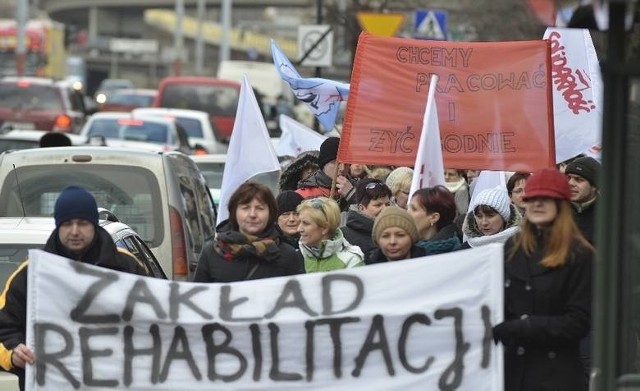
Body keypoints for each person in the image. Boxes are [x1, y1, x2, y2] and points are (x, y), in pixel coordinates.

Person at [0, 186, 149, 391]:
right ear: (58, 226)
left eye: (83, 223)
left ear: (94, 226)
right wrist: (12, 354)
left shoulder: (127, 267)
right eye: (67, 223)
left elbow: (154, 322)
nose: (75, 231)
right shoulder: (31, 274)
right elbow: (4, 328)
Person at [493, 168, 594, 391]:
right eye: (532, 198)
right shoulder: (513, 247)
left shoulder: (580, 254)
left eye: (545, 198)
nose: (537, 204)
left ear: (562, 203)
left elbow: (578, 323)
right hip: (514, 373)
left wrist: (525, 326)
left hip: (556, 376)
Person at [193, 182, 304, 282]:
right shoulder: (212, 253)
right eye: (245, 208)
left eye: (259, 208)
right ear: (234, 212)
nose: (252, 214)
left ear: (271, 213)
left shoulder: (286, 254)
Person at [297, 197, 364, 272]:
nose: (299, 229)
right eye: (299, 222)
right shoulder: (295, 256)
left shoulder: (351, 260)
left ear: (325, 228)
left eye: (305, 223)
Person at [295, 137, 357, 209]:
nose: (342, 169)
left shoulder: (359, 189)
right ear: (323, 165)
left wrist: (352, 196)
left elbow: (368, 218)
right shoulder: (303, 194)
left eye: (346, 163)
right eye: (336, 163)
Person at [341, 178, 392, 259]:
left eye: (387, 204)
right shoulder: (343, 236)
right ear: (361, 208)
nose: (385, 209)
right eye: (378, 205)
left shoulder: (395, 232)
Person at [408, 185, 462, 255]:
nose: (407, 213)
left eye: (414, 209)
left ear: (434, 218)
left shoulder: (453, 254)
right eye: (408, 208)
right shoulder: (406, 246)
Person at [564, 156, 601, 244]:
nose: (571, 183)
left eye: (579, 180)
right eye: (568, 178)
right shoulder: (556, 210)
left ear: (594, 187)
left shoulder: (609, 216)